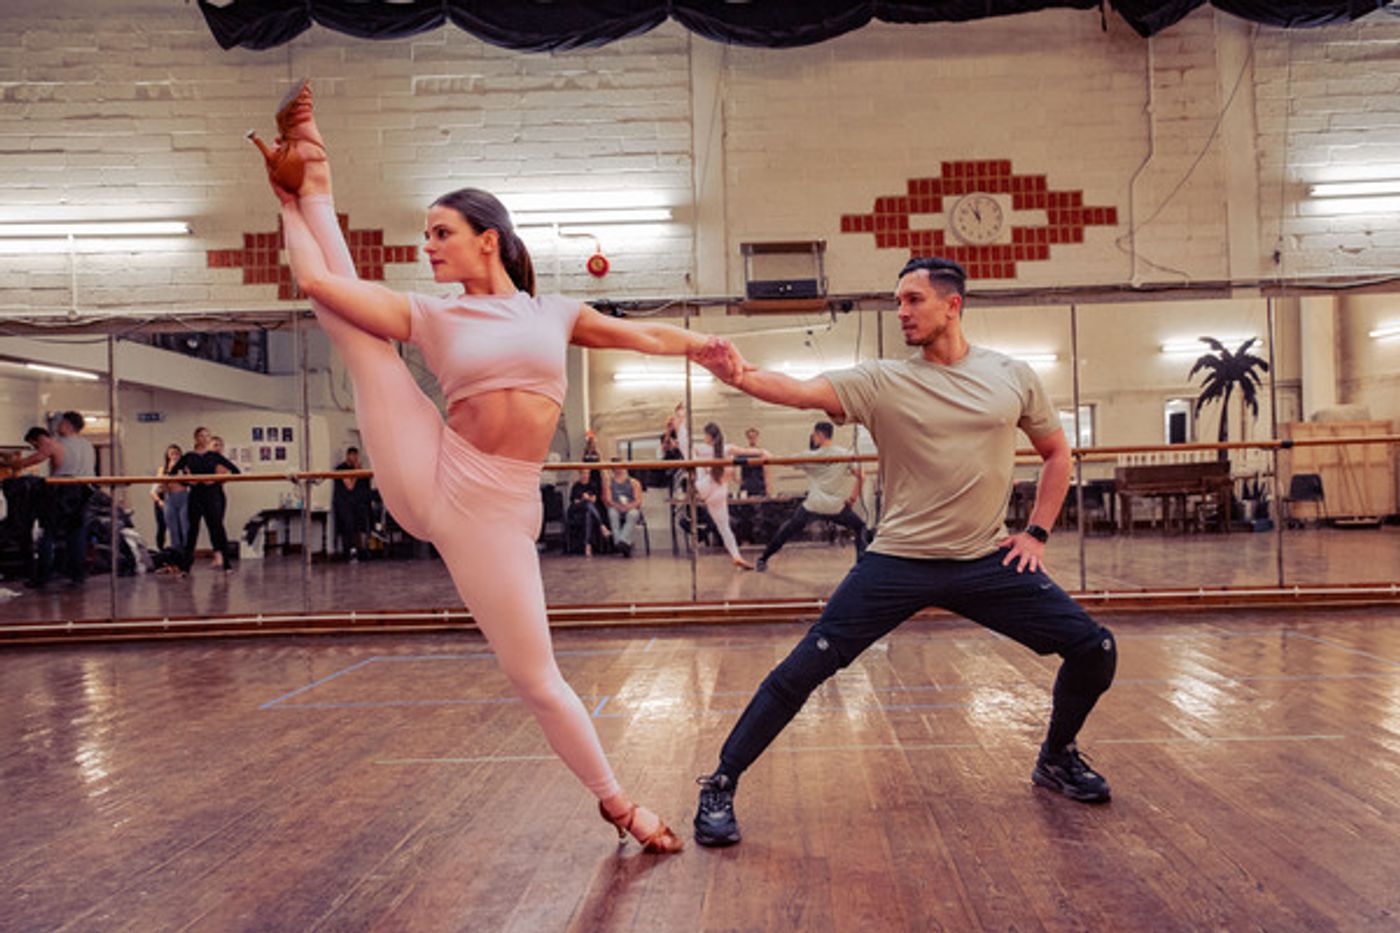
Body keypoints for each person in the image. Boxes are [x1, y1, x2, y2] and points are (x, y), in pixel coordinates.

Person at [249, 79, 739, 853]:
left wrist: (705, 348)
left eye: (441, 231)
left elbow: (638, 336)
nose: (428, 245)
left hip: (503, 506)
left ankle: (612, 805)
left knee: (537, 675)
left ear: (490, 237)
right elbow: (319, 285)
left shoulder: (555, 311)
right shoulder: (433, 312)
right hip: (439, 474)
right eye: (425, 235)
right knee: (360, 340)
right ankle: (314, 173)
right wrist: (295, 198)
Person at [690, 256, 1118, 848]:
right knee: (804, 669)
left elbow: (1056, 453)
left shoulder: (1012, 376)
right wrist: (739, 374)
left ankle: (1056, 756)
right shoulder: (882, 379)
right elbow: (800, 391)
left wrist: (1037, 532)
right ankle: (720, 782)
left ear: (952, 304)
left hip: (984, 560)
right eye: (898, 301)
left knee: (1094, 647)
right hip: (898, 561)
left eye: (913, 300)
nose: (902, 312)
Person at [754, 421, 867, 572]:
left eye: (814, 435)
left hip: (813, 505)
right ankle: (861, 567)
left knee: (788, 529)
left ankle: (763, 559)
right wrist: (852, 498)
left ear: (820, 435)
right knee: (860, 527)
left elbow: (782, 461)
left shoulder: (809, 456)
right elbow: (862, 476)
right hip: (835, 507)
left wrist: (768, 456)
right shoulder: (845, 454)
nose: (813, 438)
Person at [3, 412, 96, 587]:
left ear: (67, 424)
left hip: (62, 490)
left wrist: (7, 464)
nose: (56, 426)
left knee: (48, 533)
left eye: (59, 423)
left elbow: (31, 460)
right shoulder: (87, 445)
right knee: (76, 534)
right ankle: (78, 577)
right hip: (85, 490)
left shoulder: (56, 444)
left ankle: (43, 577)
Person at [688, 422, 764, 570]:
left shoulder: (703, 449)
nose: (704, 438)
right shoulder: (727, 448)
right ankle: (736, 555)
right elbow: (746, 452)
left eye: (705, 435)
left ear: (709, 436)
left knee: (693, 459)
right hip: (719, 492)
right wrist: (764, 452)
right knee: (724, 528)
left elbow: (689, 449)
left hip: (705, 487)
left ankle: (680, 422)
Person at [172, 426, 240, 573]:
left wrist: (215, 481)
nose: (204, 438)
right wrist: (188, 481)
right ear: (196, 438)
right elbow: (172, 473)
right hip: (196, 495)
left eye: (207, 436)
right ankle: (185, 567)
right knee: (192, 530)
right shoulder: (189, 456)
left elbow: (235, 471)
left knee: (217, 528)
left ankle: (227, 564)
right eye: (201, 436)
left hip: (212, 495)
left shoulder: (214, 456)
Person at [332, 446, 372, 561]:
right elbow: (350, 486)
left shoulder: (356, 468)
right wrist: (356, 472)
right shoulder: (341, 469)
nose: (355, 458)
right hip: (344, 504)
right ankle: (349, 551)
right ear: (348, 456)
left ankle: (362, 550)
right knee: (348, 527)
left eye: (356, 456)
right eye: (353, 456)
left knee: (360, 527)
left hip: (356, 503)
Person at [601, 462, 644, 558]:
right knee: (612, 513)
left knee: (633, 514)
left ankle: (622, 541)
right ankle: (621, 543)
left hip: (631, 508)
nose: (619, 469)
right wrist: (618, 506)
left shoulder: (634, 482)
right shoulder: (609, 482)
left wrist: (628, 507)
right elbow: (608, 500)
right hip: (616, 507)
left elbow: (638, 501)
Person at [152, 443, 188, 556]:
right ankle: (175, 553)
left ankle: (187, 552)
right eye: (172, 453)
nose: (174, 456)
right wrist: (169, 471)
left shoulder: (185, 467)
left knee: (185, 527)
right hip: (169, 498)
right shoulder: (162, 469)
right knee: (173, 529)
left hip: (183, 497)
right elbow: (159, 486)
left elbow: (190, 482)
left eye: (177, 453)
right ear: (167, 456)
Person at [566, 469, 610, 556]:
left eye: (587, 474)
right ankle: (602, 525)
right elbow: (575, 502)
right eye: (583, 473)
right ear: (580, 474)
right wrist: (583, 499)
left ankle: (587, 544)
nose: (585, 476)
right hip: (576, 511)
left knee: (588, 514)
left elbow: (594, 500)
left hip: (588, 511)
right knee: (587, 504)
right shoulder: (576, 486)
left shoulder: (592, 485)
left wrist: (587, 499)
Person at [737, 427, 770, 498]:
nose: (752, 439)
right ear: (747, 438)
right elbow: (737, 470)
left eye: (754, 437)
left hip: (759, 485)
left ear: (757, 437)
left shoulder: (762, 453)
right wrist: (739, 481)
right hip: (747, 485)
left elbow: (766, 471)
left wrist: (768, 488)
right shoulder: (742, 453)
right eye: (750, 437)